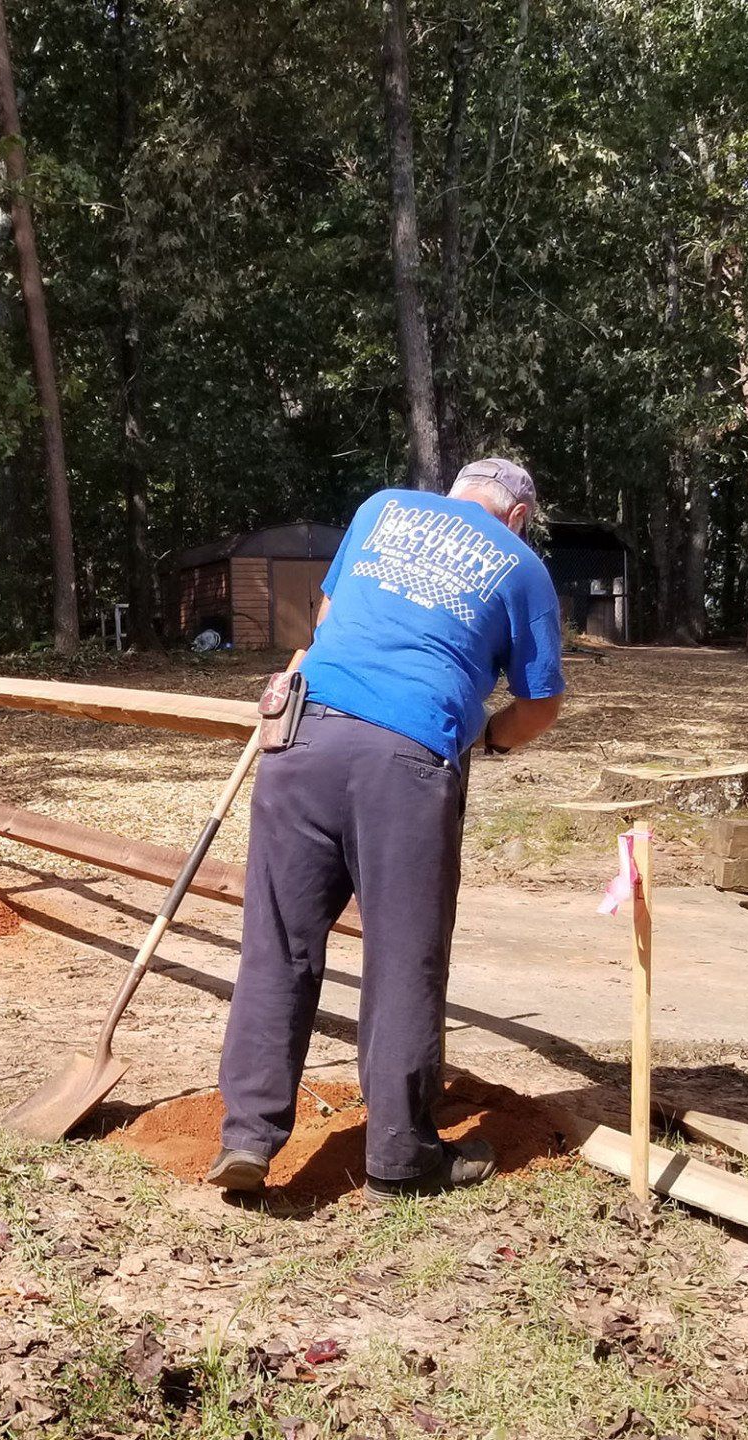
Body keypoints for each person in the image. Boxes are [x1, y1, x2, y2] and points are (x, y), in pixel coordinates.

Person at [209, 458, 566, 1201]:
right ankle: (401, 1160)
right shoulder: (524, 568)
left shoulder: (382, 510)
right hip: (404, 761)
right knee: (404, 957)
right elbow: (538, 708)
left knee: (278, 943)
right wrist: (486, 739)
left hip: (302, 737)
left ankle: (246, 1136)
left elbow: (329, 621)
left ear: (456, 492)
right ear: (520, 514)